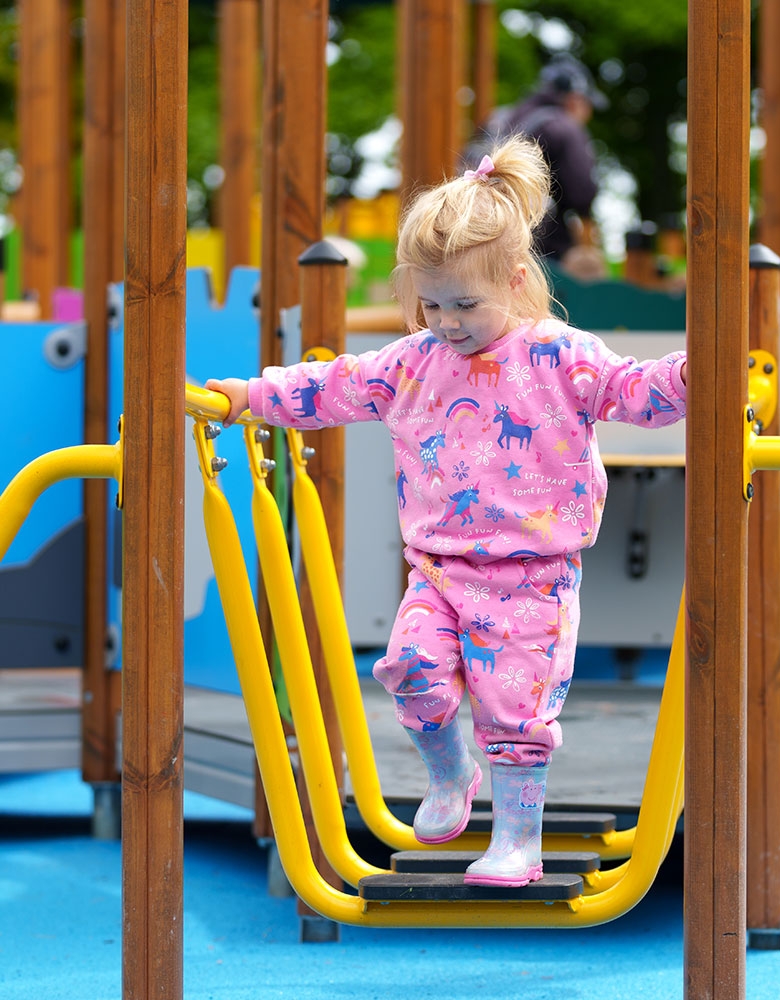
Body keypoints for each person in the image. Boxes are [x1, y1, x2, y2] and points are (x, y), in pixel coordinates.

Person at [206, 136, 687, 888]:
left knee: (513, 712)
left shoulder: (559, 357)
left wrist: (698, 373)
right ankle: (451, 774)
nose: (446, 320)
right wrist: (245, 396)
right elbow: (332, 385)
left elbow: (634, 391)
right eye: (430, 303)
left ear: (518, 281)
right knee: (409, 671)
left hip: (533, 574)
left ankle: (517, 841)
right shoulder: (413, 362)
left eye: (465, 303)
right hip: (437, 569)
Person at [464, 53, 607, 263]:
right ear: (575, 100)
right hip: (535, 250)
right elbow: (582, 194)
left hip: (475, 238)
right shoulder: (564, 127)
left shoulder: (498, 118)